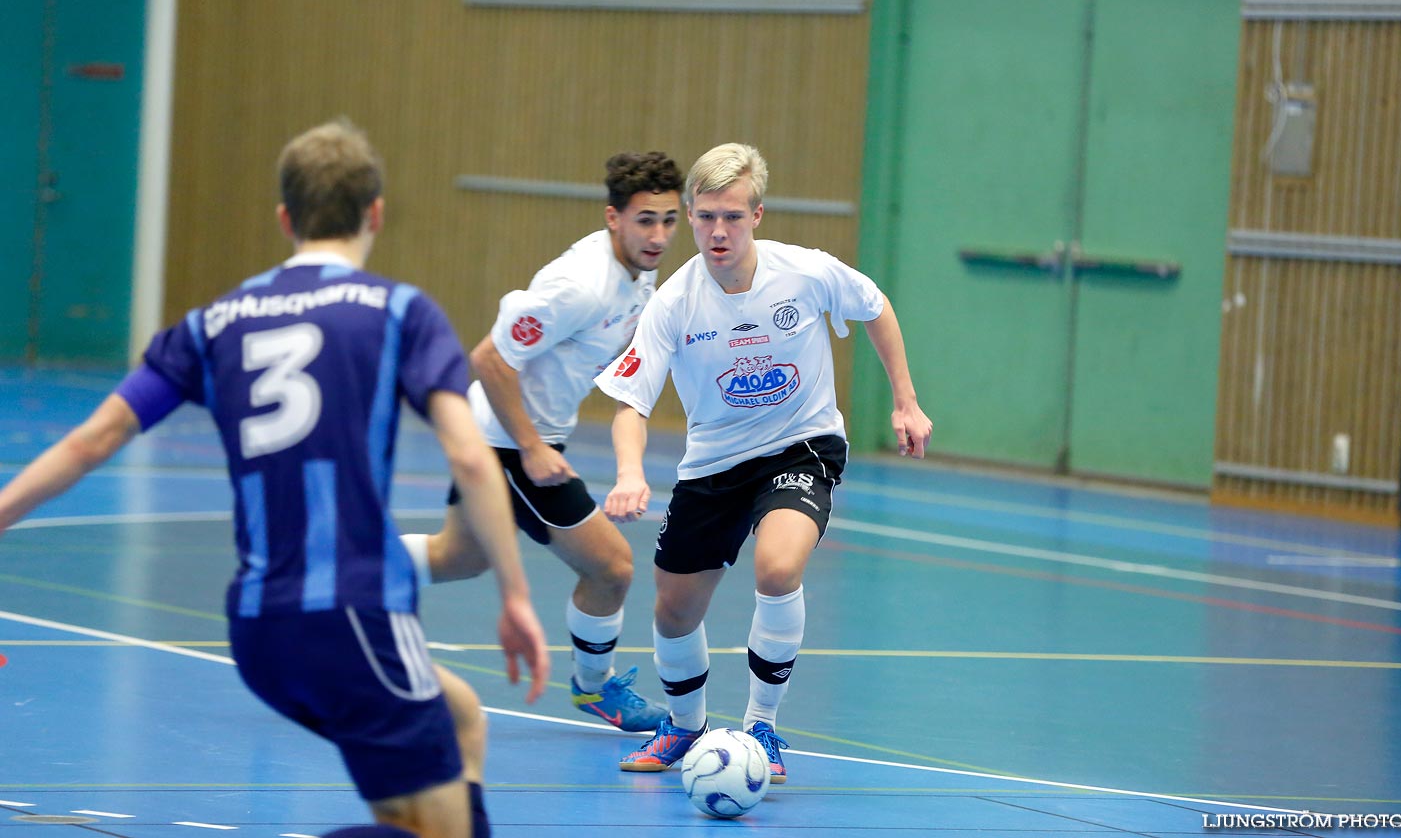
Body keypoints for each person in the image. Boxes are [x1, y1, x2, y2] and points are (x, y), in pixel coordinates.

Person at [0, 120, 549, 838]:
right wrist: (513, 594)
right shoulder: (398, 312)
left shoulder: (212, 323)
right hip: (354, 613)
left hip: (259, 630)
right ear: (375, 214)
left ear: (285, 219)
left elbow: (92, 439)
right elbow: (472, 458)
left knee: (461, 717)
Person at [594, 142, 933, 783]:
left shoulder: (806, 273)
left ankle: (762, 727)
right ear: (690, 215)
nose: (718, 232)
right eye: (705, 218)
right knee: (673, 610)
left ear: (758, 215)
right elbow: (629, 403)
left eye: (733, 217)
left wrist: (905, 403)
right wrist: (631, 473)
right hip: (715, 461)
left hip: (800, 444)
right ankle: (684, 725)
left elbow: (876, 307)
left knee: (778, 568)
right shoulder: (673, 303)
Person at [402, 151, 682, 734]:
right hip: (505, 442)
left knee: (459, 557)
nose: (658, 235)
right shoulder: (577, 287)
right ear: (614, 218)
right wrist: (531, 446)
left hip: (514, 435)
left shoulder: (642, 268)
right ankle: (594, 691)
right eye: (645, 220)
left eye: (668, 220)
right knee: (612, 568)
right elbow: (488, 359)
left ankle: (329, 570)